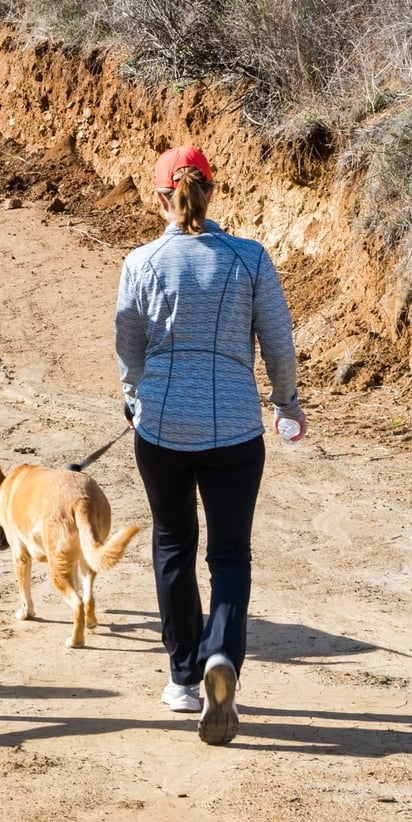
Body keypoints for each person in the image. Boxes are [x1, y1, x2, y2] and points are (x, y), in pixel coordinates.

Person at [115, 146, 303, 746]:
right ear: (211, 192)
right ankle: (222, 653)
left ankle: (182, 676)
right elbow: (277, 341)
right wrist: (285, 403)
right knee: (229, 554)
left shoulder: (141, 262)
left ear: (159, 197)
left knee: (173, 544)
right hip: (235, 430)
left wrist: (134, 396)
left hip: (163, 428)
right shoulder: (248, 258)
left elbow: (129, 343)